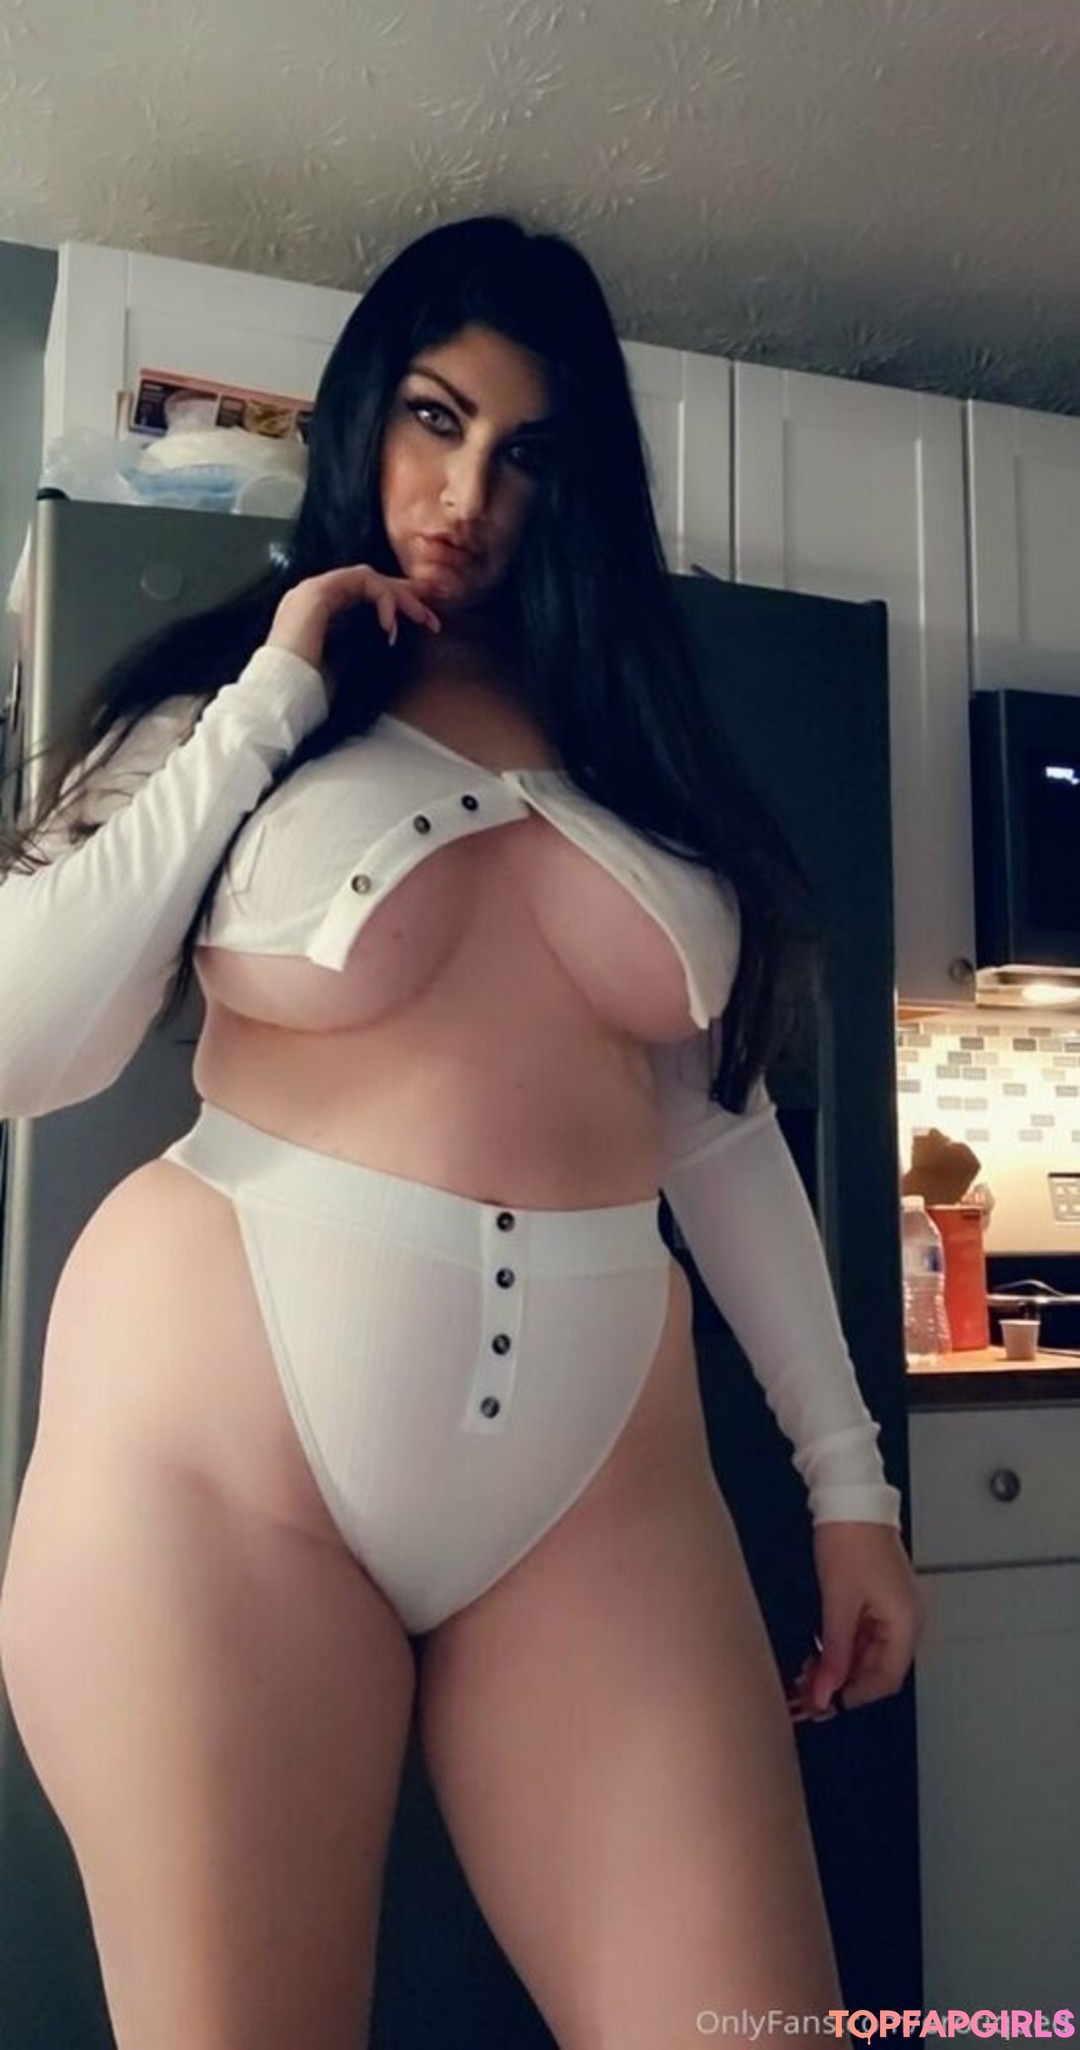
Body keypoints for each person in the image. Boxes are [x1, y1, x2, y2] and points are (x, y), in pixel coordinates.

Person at [0, 215, 923, 2049]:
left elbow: (721, 1135)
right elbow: (29, 1040)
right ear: (368, 415)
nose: (467, 493)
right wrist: (272, 693)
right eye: (435, 419)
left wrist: (852, 1487)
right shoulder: (226, 703)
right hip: (219, 1459)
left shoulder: (638, 756)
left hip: (600, 1494)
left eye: (526, 453)